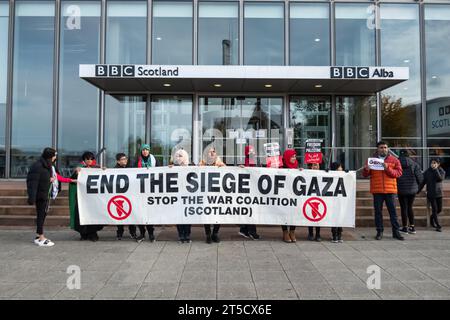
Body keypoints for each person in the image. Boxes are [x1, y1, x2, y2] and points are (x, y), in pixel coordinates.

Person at [362, 141, 404, 241]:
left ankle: (396, 232)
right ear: (377, 149)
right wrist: (366, 170)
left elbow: (399, 173)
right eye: (381, 147)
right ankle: (379, 231)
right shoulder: (371, 160)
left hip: (390, 190)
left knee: (393, 212)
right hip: (377, 190)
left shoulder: (394, 160)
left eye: (385, 147)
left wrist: (388, 168)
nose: (383, 149)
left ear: (388, 148)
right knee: (378, 212)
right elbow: (365, 175)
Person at [26, 148, 58, 247]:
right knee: (41, 215)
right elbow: (32, 182)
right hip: (40, 195)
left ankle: (38, 236)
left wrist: (50, 180)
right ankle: (41, 237)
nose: (55, 157)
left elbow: (44, 179)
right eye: (54, 155)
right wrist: (32, 197)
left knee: (43, 215)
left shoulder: (47, 165)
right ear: (50, 156)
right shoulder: (38, 166)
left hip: (45, 194)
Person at [69, 151, 104, 241]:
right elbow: (72, 180)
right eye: (87, 159)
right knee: (82, 214)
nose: (89, 160)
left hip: (93, 197)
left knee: (94, 214)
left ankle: (93, 233)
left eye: (91, 159)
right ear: (84, 160)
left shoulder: (97, 169)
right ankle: (83, 233)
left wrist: (104, 171)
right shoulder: (80, 169)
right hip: (82, 197)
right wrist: (77, 173)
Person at [199, 146, 225, 243]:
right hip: (205, 194)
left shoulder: (220, 163)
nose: (212, 153)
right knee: (207, 214)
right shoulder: (202, 163)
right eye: (210, 152)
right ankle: (208, 234)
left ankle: (215, 233)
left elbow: (230, 172)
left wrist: (239, 169)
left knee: (218, 214)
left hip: (217, 194)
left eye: (213, 151)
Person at [397, 149, 423, 235]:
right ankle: (412, 227)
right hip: (412, 190)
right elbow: (420, 178)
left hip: (401, 189)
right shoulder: (414, 164)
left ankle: (404, 227)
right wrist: (417, 189)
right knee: (410, 207)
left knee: (403, 208)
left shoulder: (396, 163)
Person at [135, 144, 157, 243]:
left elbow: (161, 171)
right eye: (143, 149)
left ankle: (151, 234)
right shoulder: (137, 161)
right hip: (139, 190)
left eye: (147, 149)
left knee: (149, 214)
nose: (145, 151)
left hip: (150, 190)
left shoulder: (154, 160)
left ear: (149, 151)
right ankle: (142, 233)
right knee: (140, 213)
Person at [170, 149, 193, 243]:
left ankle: (187, 235)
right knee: (179, 217)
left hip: (188, 197)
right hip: (178, 197)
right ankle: (180, 235)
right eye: (177, 156)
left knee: (188, 217)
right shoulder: (174, 167)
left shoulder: (192, 166)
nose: (179, 158)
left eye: (181, 156)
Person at [238, 145, 261, 240]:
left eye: (253, 151)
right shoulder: (244, 163)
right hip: (246, 191)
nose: (252, 153)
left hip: (254, 190)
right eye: (250, 152)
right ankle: (252, 232)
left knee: (250, 211)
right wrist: (240, 168)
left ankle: (244, 230)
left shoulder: (256, 162)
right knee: (250, 210)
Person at [114, 153, 138, 240]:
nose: (124, 160)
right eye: (122, 159)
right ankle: (120, 232)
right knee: (120, 215)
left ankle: (133, 232)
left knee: (131, 214)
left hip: (130, 195)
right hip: (120, 196)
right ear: (118, 161)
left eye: (125, 159)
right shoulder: (114, 170)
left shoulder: (130, 168)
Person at [418, 158, 445, 232]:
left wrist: (435, 169)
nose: (433, 164)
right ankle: (437, 225)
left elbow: (440, 179)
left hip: (439, 193)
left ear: (438, 164)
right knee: (434, 209)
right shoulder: (427, 172)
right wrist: (418, 191)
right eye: (432, 163)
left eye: (435, 163)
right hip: (431, 193)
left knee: (439, 209)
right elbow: (423, 182)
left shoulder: (441, 171)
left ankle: (432, 218)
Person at [280, 149, 301, 243]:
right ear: (287, 157)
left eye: (295, 156)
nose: (294, 158)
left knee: (294, 213)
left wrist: (301, 172)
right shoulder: (281, 167)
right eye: (292, 156)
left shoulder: (297, 166)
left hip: (294, 194)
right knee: (284, 213)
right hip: (284, 194)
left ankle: (292, 231)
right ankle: (285, 232)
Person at [330, 162, 345, 243]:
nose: (341, 169)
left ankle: (339, 234)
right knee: (335, 217)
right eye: (340, 167)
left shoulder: (343, 175)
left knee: (340, 217)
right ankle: (334, 235)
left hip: (341, 200)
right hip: (333, 201)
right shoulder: (331, 175)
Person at [307, 162, 322, 242]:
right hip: (310, 196)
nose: (315, 167)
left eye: (317, 165)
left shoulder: (323, 173)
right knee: (310, 215)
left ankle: (318, 234)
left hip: (319, 197)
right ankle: (310, 233)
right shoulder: (308, 173)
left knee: (318, 218)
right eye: (314, 165)